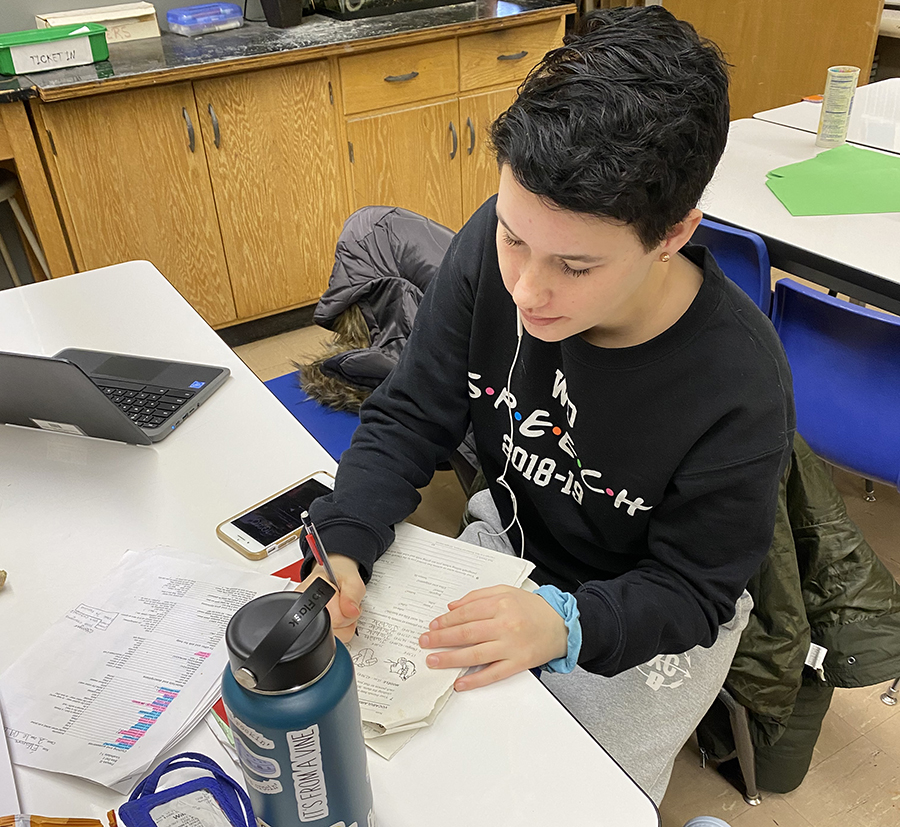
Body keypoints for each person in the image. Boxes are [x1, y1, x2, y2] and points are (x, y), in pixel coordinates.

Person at [301, 6, 795, 803]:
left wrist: (566, 624)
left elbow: (697, 589)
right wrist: (344, 544)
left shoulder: (737, 382)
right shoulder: (488, 249)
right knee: (389, 753)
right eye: (513, 236)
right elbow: (410, 414)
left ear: (673, 233)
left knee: (557, 795)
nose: (527, 289)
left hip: (648, 607)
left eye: (575, 264)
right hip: (514, 540)